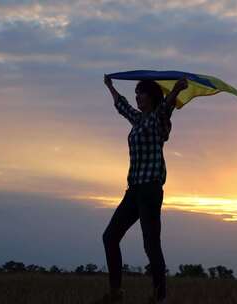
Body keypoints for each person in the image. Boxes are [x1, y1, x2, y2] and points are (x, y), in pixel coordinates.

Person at [96, 74, 188, 304]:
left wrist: (176, 90)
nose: (138, 98)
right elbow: (122, 106)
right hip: (134, 190)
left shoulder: (158, 120)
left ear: (153, 97)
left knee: (150, 244)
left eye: (142, 93)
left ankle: (160, 297)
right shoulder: (138, 121)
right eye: (137, 94)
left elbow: (166, 108)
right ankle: (116, 293)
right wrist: (110, 86)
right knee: (110, 237)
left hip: (150, 190)